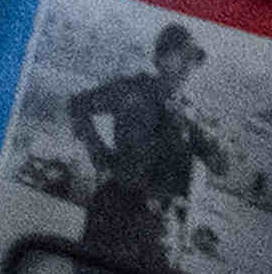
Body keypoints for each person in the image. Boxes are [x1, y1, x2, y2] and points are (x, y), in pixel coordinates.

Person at [54, 22, 234, 272]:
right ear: (160, 57)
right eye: (180, 56)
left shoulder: (191, 114)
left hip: (156, 225)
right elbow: (78, 105)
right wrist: (99, 155)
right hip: (112, 210)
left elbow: (221, 167)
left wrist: (198, 130)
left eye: (192, 60)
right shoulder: (131, 90)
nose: (187, 66)